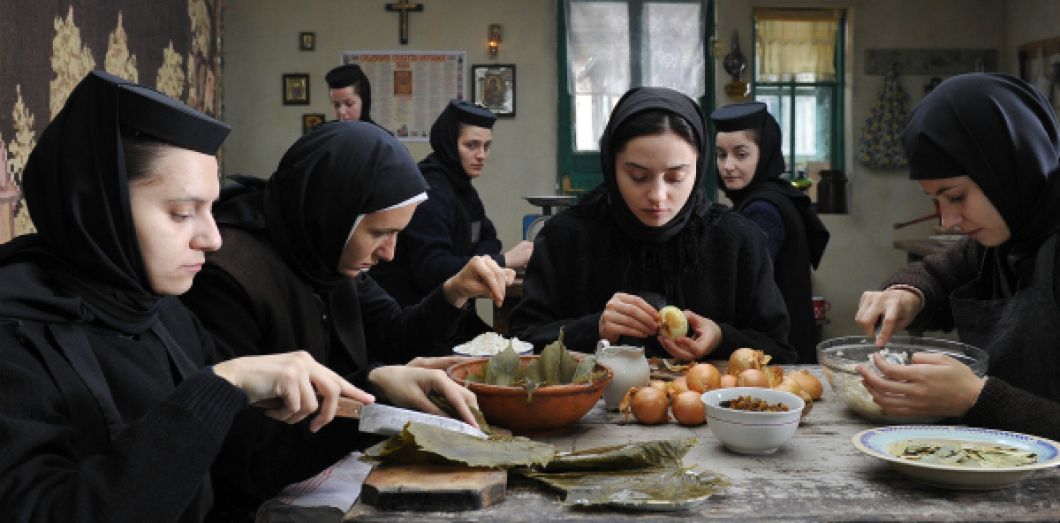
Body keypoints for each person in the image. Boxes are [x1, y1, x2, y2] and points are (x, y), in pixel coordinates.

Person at [0, 71, 372, 521]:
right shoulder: (15, 339)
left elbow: (246, 458)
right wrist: (220, 386)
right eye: (181, 213)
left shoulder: (164, 314)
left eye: (210, 209)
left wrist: (375, 397)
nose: (212, 239)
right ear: (97, 206)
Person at [508, 87, 795, 362]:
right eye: (638, 176)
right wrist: (595, 328)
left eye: (675, 178)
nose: (658, 196)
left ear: (699, 165)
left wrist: (721, 337)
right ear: (611, 165)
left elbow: (780, 351)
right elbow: (522, 340)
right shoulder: (566, 238)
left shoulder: (737, 240)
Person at [855, 73, 1060, 440]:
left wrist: (975, 398)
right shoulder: (1005, 238)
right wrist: (906, 295)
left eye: (956, 196)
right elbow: (940, 274)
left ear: (1007, 168)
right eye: (935, 201)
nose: (947, 221)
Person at [371, 100, 533, 347]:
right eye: (471, 145)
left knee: (516, 348)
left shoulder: (463, 189)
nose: (481, 155)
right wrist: (505, 260)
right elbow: (434, 271)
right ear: (449, 142)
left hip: (454, 318)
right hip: (414, 323)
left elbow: (489, 238)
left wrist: (477, 260)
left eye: (486, 146)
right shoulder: (431, 190)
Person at [711, 102, 830, 362]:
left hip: (776, 357)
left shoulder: (762, 210)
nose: (727, 166)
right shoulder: (775, 194)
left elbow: (740, 285)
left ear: (764, 153)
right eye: (721, 155)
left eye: (741, 154)